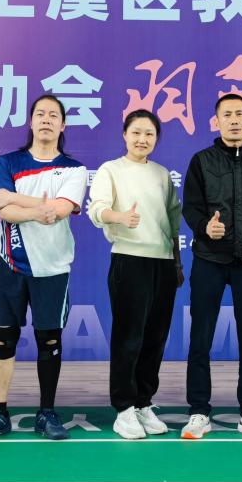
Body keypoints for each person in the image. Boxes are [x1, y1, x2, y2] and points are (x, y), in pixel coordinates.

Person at [0, 94, 88, 442]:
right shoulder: (8, 162)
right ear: (31, 121)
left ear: (63, 125)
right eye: (40, 114)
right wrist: (38, 207)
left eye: (53, 115)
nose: (46, 119)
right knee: (2, 339)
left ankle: (47, 412)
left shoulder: (75, 169)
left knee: (48, 340)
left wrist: (18, 199)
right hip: (9, 262)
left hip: (52, 267)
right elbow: (2, 208)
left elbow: (62, 210)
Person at [181, 93, 242, 441]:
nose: (234, 120)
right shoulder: (201, 160)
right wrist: (204, 227)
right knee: (200, 338)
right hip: (209, 260)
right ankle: (198, 412)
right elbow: (191, 207)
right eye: (227, 114)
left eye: (240, 114)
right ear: (217, 120)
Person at [88, 110, 183, 439]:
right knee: (129, 338)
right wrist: (119, 217)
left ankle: (143, 402)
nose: (142, 139)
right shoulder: (110, 169)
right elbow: (96, 209)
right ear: (125, 135)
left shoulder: (161, 174)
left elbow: (173, 222)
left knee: (155, 338)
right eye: (137, 132)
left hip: (162, 263)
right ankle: (124, 408)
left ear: (156, 139)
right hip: (129, 259)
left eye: (149, 134)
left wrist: (177, 263)